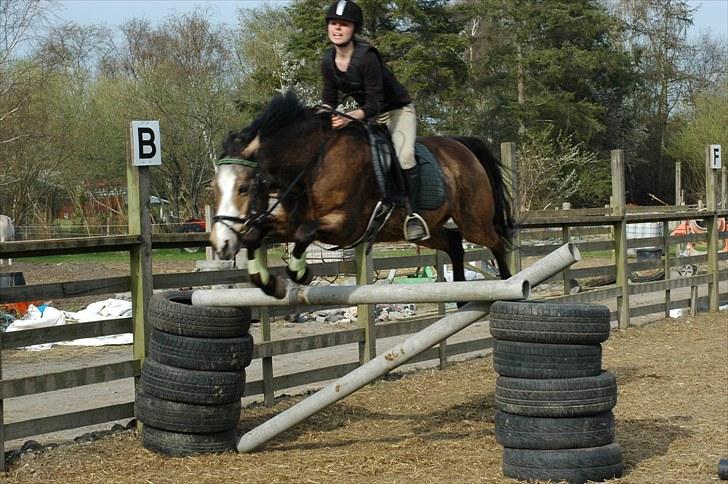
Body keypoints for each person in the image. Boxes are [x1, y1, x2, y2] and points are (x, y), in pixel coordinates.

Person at [320, 0, 429, 242]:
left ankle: (414, 215)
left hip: (396, 111)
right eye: (333, 23)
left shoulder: (367, 56)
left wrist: (347, 117)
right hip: (367, 116)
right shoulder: (328, 60)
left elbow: (375, 104)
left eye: (344, 25)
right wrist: (320, 116)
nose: (337, 29)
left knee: (404, 156)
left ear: (354, 29)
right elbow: (329, 100)